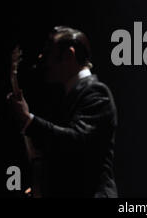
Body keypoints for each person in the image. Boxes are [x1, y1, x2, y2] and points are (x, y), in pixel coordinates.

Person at [8, 26, 118, 197]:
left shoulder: (96, 92)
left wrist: (28, 120)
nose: (41, 57)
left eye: (48, 51)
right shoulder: (71, 95)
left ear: (69, 55)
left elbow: (74, 142)